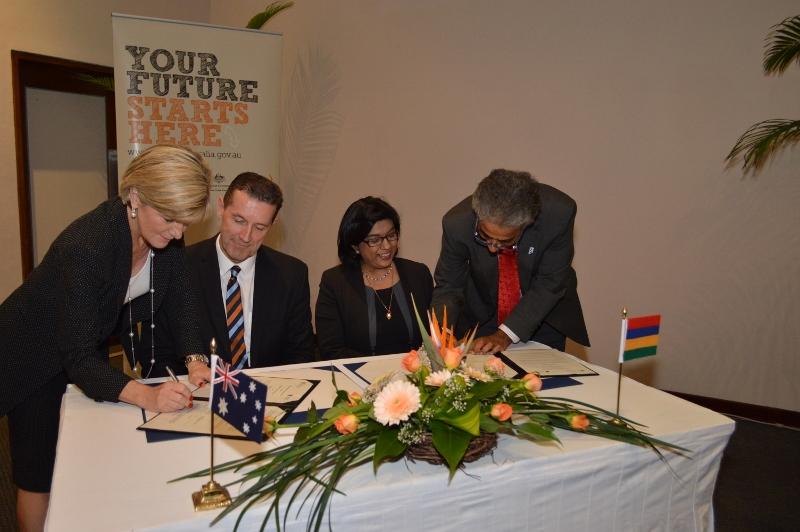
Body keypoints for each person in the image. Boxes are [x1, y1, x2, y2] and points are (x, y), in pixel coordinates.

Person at [0, 144, 210, 531]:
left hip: (79, 344)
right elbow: (78, 357)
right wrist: (148, 396)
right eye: (170, 218)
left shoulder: (164, 235)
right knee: (38, 471)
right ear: (135, 197)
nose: (179, 231)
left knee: (77, 458)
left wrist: (196, 360)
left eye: (186, 221)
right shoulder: (88, 246)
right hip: (29, 355)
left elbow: (182, 302)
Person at [161, 172, 315, 387]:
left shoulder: (292, 274)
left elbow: (301, 354)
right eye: (239, 220)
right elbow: (162, 352)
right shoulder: (180, 267)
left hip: (269, 394)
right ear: (221, 208)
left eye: (260, 227)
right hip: (197, 394)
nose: (246, 236)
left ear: (273, 224)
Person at [431, 169, 589, 354]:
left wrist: (504, 335)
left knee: (539, 379)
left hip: (542, 314)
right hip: (483, 313)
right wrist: (443, 331)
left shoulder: (558, 213)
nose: (492, 248)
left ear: (526, 225)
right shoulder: (456, 223)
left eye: (505, 241)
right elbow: (449, 285)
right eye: (483, 236)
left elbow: (550, 282)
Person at [316, 196, 433, 359]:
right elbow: (332, 350)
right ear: (355, 245)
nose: (386, 246)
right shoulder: (335, 283)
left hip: (417, 377)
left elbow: (436, 336)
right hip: (360, 380)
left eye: (391, 235)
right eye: (375, 240)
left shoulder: (418, 274)